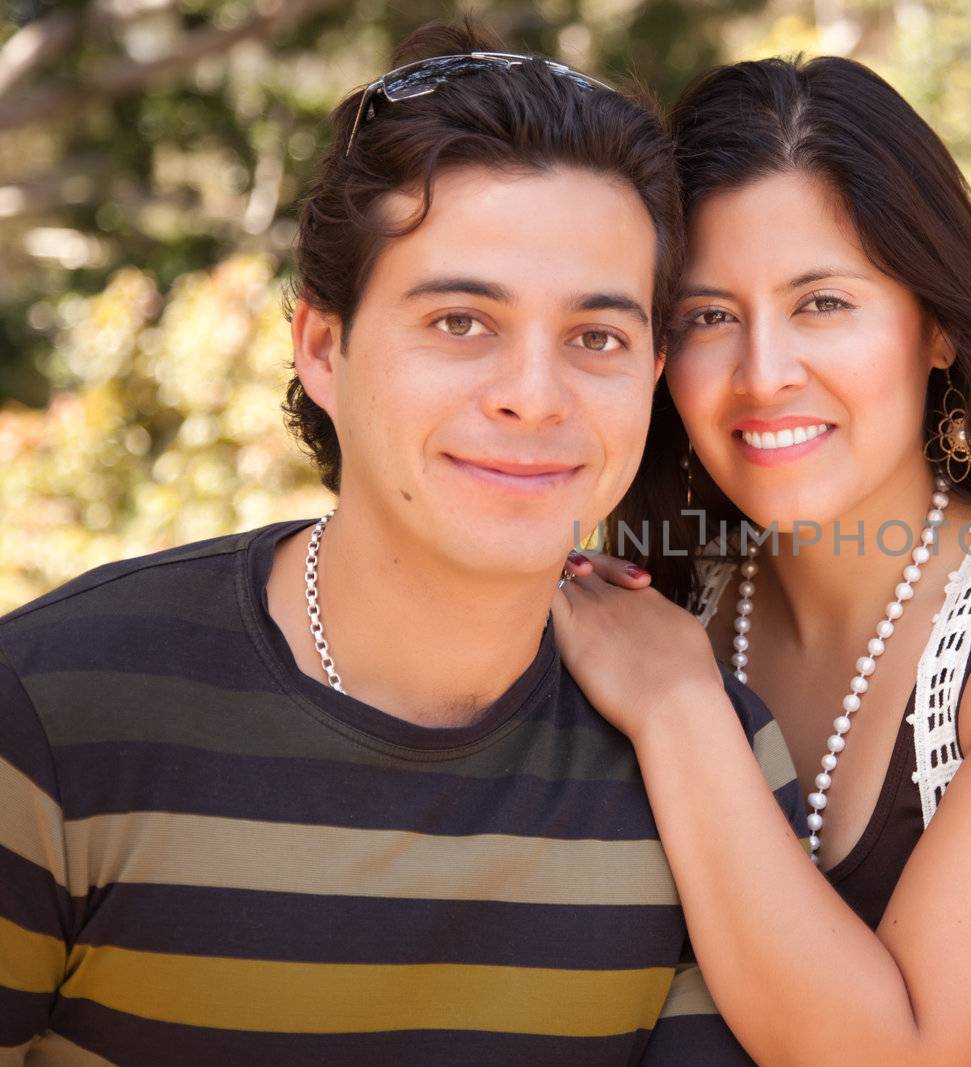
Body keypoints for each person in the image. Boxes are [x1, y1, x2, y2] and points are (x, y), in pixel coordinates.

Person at [0, 23, 802, 1065]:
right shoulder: (54, 712)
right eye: (460, 321)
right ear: (324, 347)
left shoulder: (705, 764)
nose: (531, 395)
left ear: (651, 373)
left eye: (595, 337)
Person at [553, 56, 971, 1065]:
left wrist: (677, 704)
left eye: (823, 302)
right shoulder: (662, 602)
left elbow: (897, 1051)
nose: (764, 373)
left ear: (939, 325)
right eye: (708, 315)